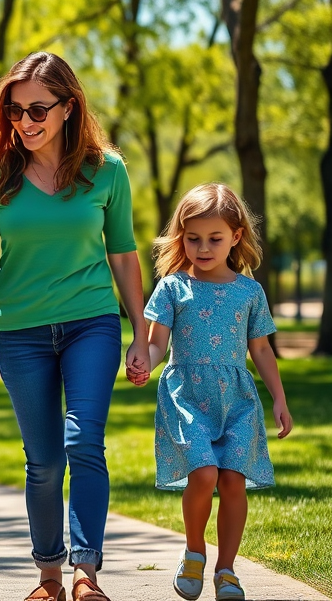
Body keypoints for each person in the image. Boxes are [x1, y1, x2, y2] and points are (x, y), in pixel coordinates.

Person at [0, 52, 149, 601]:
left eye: (38, 108)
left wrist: (140, 330)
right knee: (43, 460)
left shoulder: (107, 170)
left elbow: (125, 254)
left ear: (69, 107)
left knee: (85, 441)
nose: (25, 121)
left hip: (91, 323)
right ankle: (49, 575)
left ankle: (87, 572)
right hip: (20, 332)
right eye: (15, 110)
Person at [126, 183, 292, 601]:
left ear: (235, 237)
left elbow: (261, 350)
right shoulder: (171, 287)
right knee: (203, 474)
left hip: (237, 400)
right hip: (187, 396)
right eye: (193, 238)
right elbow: (157, 343)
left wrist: (279, 398)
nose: (202, 247)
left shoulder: (250, 291)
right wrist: (143, 358)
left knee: (233, 480)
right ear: (181, 236)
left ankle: (227, 569)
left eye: (214, 238)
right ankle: (195, 551)